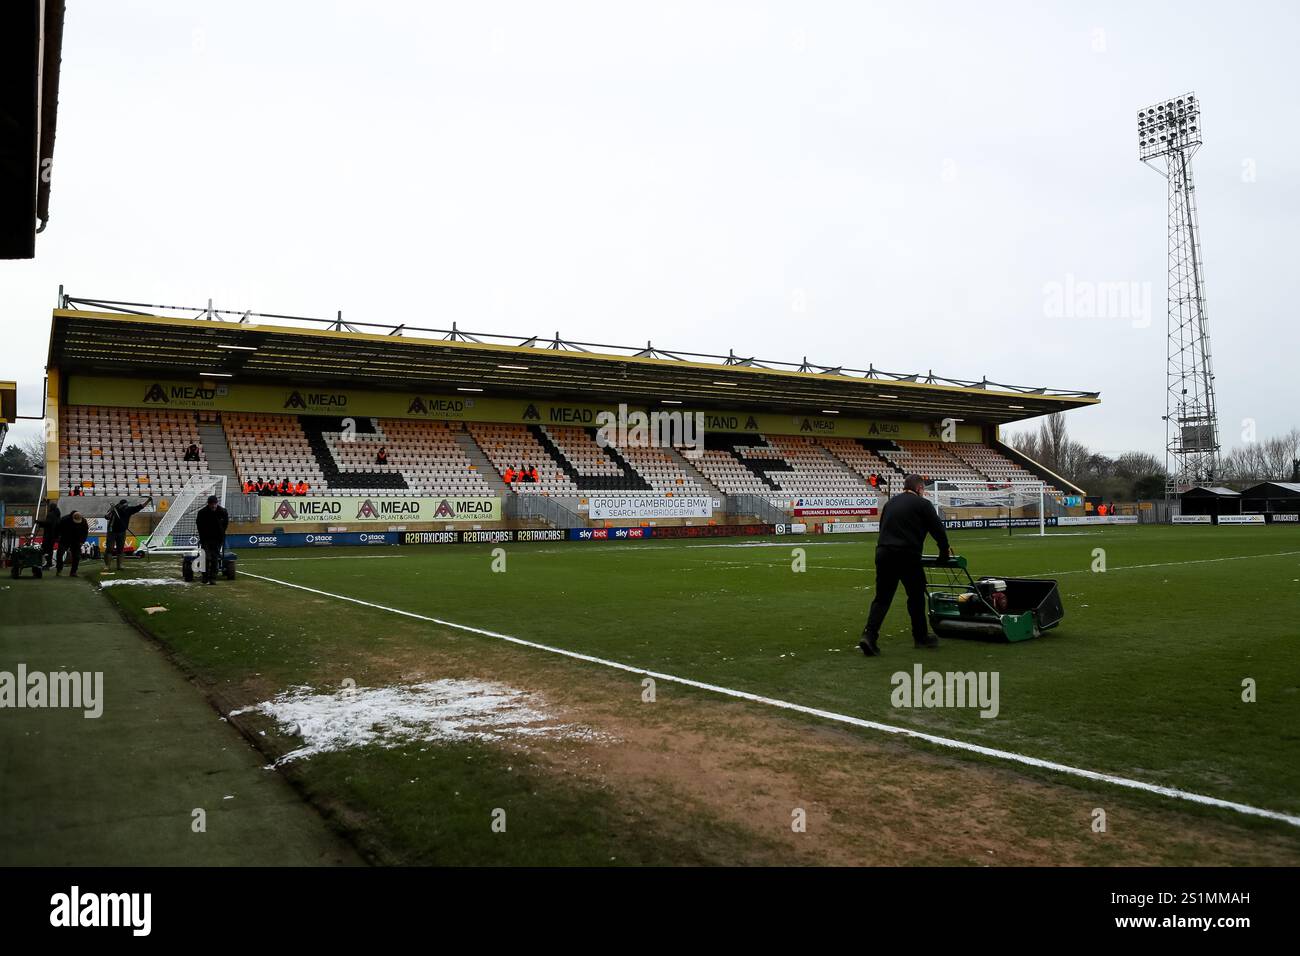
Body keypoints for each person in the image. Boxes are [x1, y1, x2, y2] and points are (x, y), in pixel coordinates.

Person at [859, 474, 952, 657]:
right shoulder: (922, 505)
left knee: (882, 598)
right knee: (916, 596)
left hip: (884, 552)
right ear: (919, 489)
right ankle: (921, 637)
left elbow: (883, 528)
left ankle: (869, 635)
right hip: (907, 555)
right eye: (923, 490)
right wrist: (943, 552)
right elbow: (938, 530)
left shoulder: (890, 503)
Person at [104, 495, 152, 572]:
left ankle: (120, 565)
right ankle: (107, 566)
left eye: (126, 505)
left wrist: (148, 500)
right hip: (112, 531)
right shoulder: (114, 509)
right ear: (120, 505)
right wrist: (112, 510)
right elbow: (107, 517)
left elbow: (140, 506)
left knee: (120, 549)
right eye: (124, 505)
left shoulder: (129, 510)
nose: (126, 506)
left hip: (122, 532)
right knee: (109, 548)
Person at [194, 494, 229, 585]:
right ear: (208, 504)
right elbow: (199, 525)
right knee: (206, 557)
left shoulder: (223, 511)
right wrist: (202, 536)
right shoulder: (202, 512)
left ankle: (213, 578)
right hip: (206, 539)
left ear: (217, 503)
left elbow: (225, 524)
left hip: (217, 539)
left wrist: (221, 533)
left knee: (214, 558)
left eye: (215, 503)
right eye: (211, 504)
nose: (213, 505)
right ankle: (205, 576)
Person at [55, 511, 89, 577]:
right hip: (65, 539)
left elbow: (85, 532)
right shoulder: (64, 519)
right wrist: (57, 537)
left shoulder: (83, 521)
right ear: (72, 517)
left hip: (76, 540)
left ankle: (73, 572)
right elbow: (57, 528)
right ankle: (59, 569)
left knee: (76, 556)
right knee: (60, 553)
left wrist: (82, 541)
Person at [37, 499, 62, 570]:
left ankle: (47, 563)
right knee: (49, 549)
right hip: (54, 536)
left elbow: (48, 524)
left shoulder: (50, 514)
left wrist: (39, 523)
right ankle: (49, 562)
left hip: (49, 535)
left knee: (46, 549)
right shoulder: (57, 515)